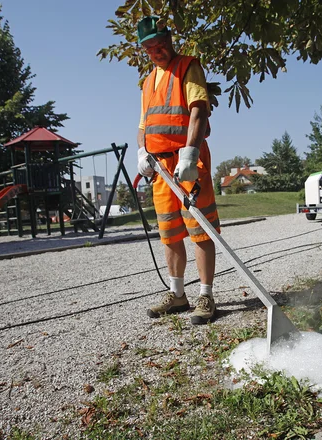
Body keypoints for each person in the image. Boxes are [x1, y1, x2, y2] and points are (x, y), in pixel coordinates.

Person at [136, 16, 220, 325]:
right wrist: (141, 151)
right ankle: (178, 294)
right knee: (170, 232)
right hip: (159, 168)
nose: (157, 51)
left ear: (170, 41)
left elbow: (198, 109)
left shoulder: (188, 66)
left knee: (200, 229)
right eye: (150, 47)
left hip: (187, 161)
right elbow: (143, 124)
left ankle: (206, 296)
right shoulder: (147, 82)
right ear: (144, 49)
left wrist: (191, 153)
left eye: (161, 44)